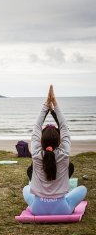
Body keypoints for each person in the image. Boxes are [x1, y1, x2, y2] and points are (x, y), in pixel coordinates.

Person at [23, 85, 87, 215]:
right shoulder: (64, 154)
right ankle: (65, 202)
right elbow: (64, 127)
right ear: (59, 141)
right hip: (62, 209)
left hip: (37, 209)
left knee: (26, 188)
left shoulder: (36, 154)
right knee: (82, 189)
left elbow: (36, 127)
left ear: (41, 140)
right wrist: (55, 105)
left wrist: (46, 105)